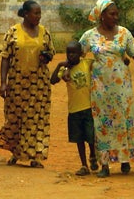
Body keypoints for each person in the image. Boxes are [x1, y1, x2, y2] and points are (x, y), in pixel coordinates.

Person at [79, 0, 134, 178]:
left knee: (124, 120)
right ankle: (105, 164)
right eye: (112, 14)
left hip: (123, 89)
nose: (116, 17)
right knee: (103, 124)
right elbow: (78, 55)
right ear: (101, 16)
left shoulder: (124, 33)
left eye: (117, 14)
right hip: (100, 90)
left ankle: (124, 160)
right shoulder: (89, 36)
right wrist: (66, 69)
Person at [0, 0, 55, 168]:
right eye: (36, 13)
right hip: (16, 84)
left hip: (39, 84)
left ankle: (35, 156)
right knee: (15, 119)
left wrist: (46, 57)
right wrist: (3, 83)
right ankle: (16, 152)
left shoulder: (44, 32)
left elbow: (50, 53)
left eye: (40, 13)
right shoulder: (13, 32)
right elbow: (5, 58)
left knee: (37, 120)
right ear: (26, 14)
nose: (39, 17)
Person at [50, 41, 98, 176]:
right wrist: (60, 65)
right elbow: (52, 80)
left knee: (91, 136)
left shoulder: (86, 63)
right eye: (68, 53)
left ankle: (93, 155)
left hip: (88, 108)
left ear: (80, 54)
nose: (71, 55)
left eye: (74, 53)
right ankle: (84, 165)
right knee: (79, 139)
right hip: (74, 110)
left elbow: (100, 64)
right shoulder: (65, 69)